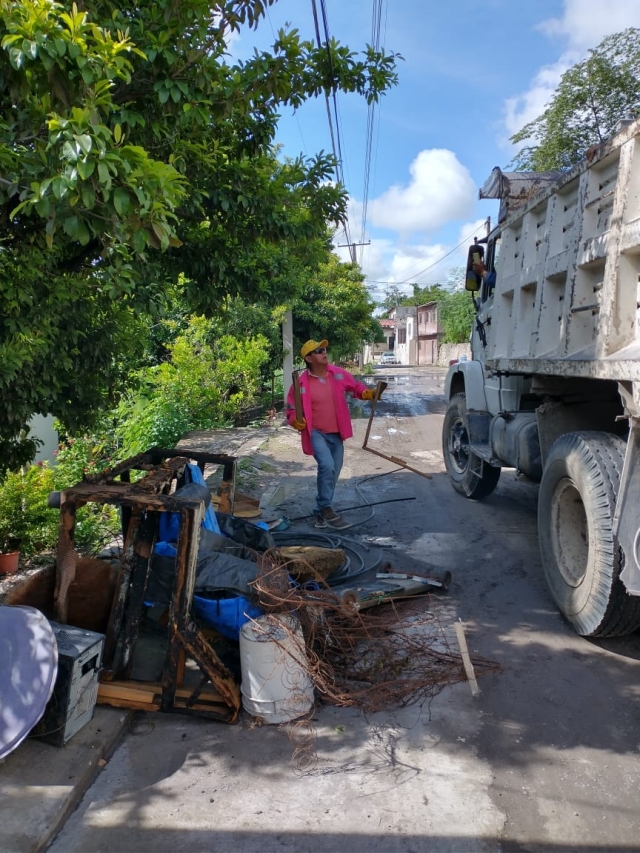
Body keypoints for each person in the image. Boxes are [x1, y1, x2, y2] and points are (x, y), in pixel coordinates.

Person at [286, 339, 381, 529]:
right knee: (327, 466)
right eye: (319, 350)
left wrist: (368, 394)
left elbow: (355, 387)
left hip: (336, 433)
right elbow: (291, 408)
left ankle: (320, 512)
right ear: (308, 358)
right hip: (315, 432)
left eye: (324, 349)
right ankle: (327, 508)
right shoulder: (301, 383)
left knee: (334, 471)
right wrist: (295, 420)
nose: (324, 352)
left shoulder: (337, 374)